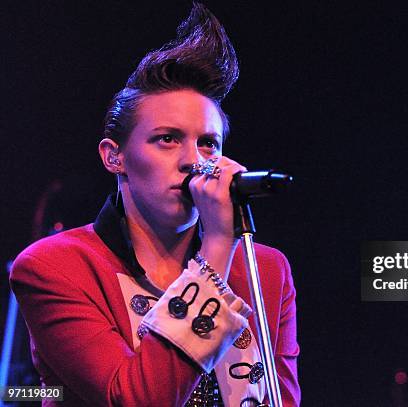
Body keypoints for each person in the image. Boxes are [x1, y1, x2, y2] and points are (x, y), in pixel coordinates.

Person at [9, 3, 300, 406]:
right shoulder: (56, 267)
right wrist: (216, 250)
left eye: (207, 143)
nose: (192, 160)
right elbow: (136, 399)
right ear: (115, 157)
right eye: (167, 138)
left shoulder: (266, 270)